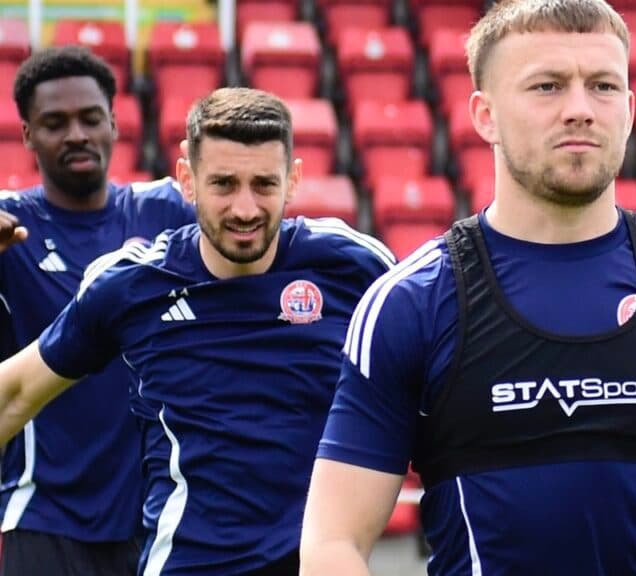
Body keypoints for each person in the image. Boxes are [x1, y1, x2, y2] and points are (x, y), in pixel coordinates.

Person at [299, 0, 636, 574]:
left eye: (602, 86)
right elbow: (333, 543)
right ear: (484, 115)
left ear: (628, 108)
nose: (579, 110)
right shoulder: (413, 303)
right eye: (547, 86)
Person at [0, 87, 394, 575]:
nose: (245, 209)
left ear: (293, 180)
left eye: (264, 185)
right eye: (224, 184)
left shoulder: (354, 267)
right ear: (187, 179)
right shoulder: (131, 284)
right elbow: (14, 393)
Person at [0, 45, 195, 575]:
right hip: (45, 520)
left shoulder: (168, 212)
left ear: (114, 122)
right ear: (28, 137)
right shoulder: (9, 227)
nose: (76, 135)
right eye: (54, 123)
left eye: (90, 118)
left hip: (156, 519)